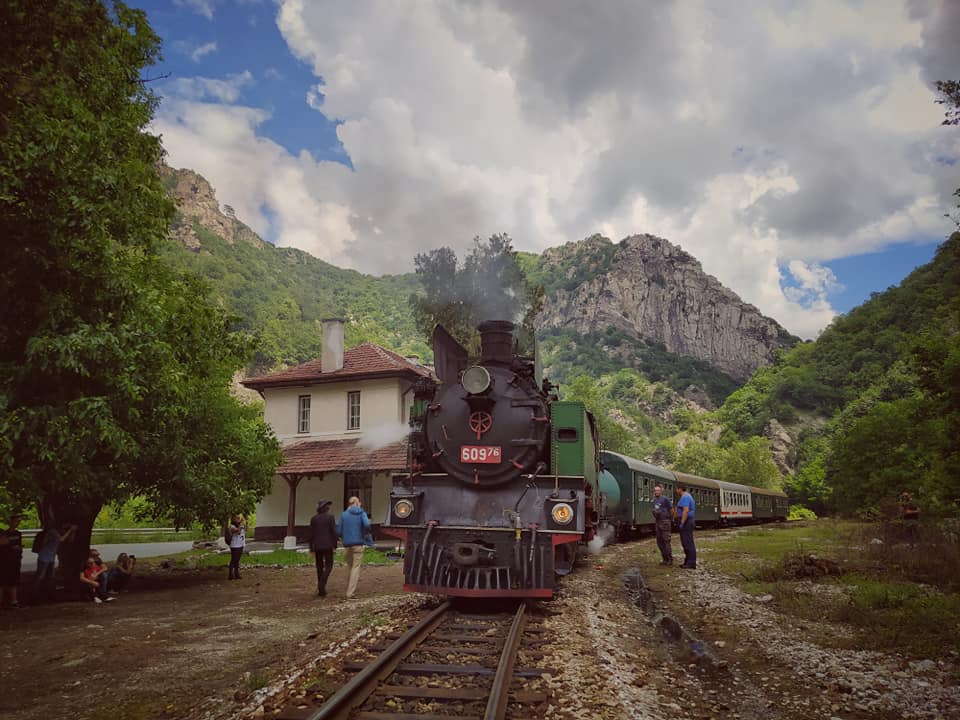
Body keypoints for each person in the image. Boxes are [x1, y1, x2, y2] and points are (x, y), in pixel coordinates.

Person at [32, 522, 77, 604]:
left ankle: (45, 595)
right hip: (44, 557)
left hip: (51, 558)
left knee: (49, 577)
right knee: (40, 577)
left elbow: (69, 540)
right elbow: (61, 539)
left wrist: (72, 531)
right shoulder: (53, 531)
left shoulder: (59, 532)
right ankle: (33, 596)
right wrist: (71, 530)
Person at [336, 496, 371, 599]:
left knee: (350, 567)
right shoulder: (362, 513)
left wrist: (344, 536)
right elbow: (367, 525)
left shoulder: (343, 515)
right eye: (359, 502)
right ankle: (350, 592)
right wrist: (364, 533)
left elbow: (338, 531)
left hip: (347, 544)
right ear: (357, 503)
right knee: (356, 568)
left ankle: (349, 588)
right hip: (358, 543)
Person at [307, 499, 337, 597]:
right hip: (328, 545)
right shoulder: (330, 518)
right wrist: (335, 546)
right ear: (326, 508)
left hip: (317, 546)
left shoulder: (313, 519)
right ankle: (322, 584)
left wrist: (311, 548)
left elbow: (311, 535)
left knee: (319, 566)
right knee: (329, 565)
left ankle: (321, 590)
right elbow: (333, 533)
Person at [0, 513, 25, 609]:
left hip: (15, 560)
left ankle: (14, 602)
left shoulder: (18, 534)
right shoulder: (4, 533)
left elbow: (19, 545)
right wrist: (10, 547)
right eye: (16, 521)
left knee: (13, 581)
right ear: (10, 522)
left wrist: (19, 550)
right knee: (2, 581)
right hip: (5, 560)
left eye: (19, 522)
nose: (17, 523)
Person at [674, 484, 697, 569]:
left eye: (676, 489)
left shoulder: (685, 497)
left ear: (680, 489)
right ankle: (688, 561)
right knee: (685, 542)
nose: (676, 491)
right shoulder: (686, 496)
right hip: (687, 521)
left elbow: (685, 511)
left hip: (687, 521)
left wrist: (682, 523)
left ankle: (691, 563)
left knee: (688, 542)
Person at [651, 484, 673, 565]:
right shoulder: (654, 500)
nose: (656, 492)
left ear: (661, 491)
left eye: (657, 490)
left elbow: (671, 510)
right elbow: (655, 509)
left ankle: (670, 559)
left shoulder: (665, 499)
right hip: (658, 522)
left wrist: (669, 519)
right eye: (655, 490)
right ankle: (664, 559)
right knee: (659, 542)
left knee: (666, 541)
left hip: (665, 522)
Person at [226, 514, 246, 580]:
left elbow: (246, 530)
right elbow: (238, 531)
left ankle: (236, 574)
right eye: (237, 518)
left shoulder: (240, 525)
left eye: (239, 518)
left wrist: (246, 523)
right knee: (233, 560)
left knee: (237, 560)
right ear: (233, 519)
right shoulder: (231, 526)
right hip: (235, 545)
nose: (238, 519)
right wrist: (241, 523)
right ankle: (230, 574)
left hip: (241, 544)